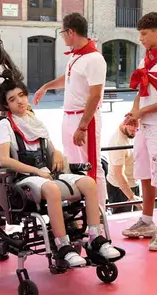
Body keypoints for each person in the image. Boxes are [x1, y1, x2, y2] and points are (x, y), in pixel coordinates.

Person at [0, 71, 122, 267]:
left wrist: (60, 155)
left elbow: (51, 150)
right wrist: (36, 171)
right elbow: (4, 160)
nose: (19, 101)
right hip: (24, 178)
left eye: (21, 95)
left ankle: (96, 239)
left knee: (88, 182)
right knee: (52, 189)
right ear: (6, 105)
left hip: (46, 173)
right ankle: (63, 247)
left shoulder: (34, 121)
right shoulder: (5, 125)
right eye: (12, 99)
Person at [32, 13, 107, 217]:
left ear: (71, 32)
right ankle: (82, 210)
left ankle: (99, 212)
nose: (62, 36)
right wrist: (46, 86)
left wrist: (82, 126)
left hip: (84, 118)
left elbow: (95, 95)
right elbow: (69, 79)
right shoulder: (76, 56)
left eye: (63, 32)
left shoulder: (94, 58)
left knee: (91, 165)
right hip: (70, 116)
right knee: (73, 164)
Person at [120, 12, 157, 251]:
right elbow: (141, 94)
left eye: (144, 34)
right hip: (144, 126)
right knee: (144, 172)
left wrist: (142, 112)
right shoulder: (146, 59)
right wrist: (134, 113)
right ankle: (146, 220)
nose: (141, 38)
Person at [105, 121, 139, 212]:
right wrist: (131, 197)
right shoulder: (118, 143)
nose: (134, 133)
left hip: (132, 182)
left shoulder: (128, 131)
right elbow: (119, 174)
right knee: (123, 220)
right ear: (125, 124)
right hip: (119, 187)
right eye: (132, 130)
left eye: (137, 130)